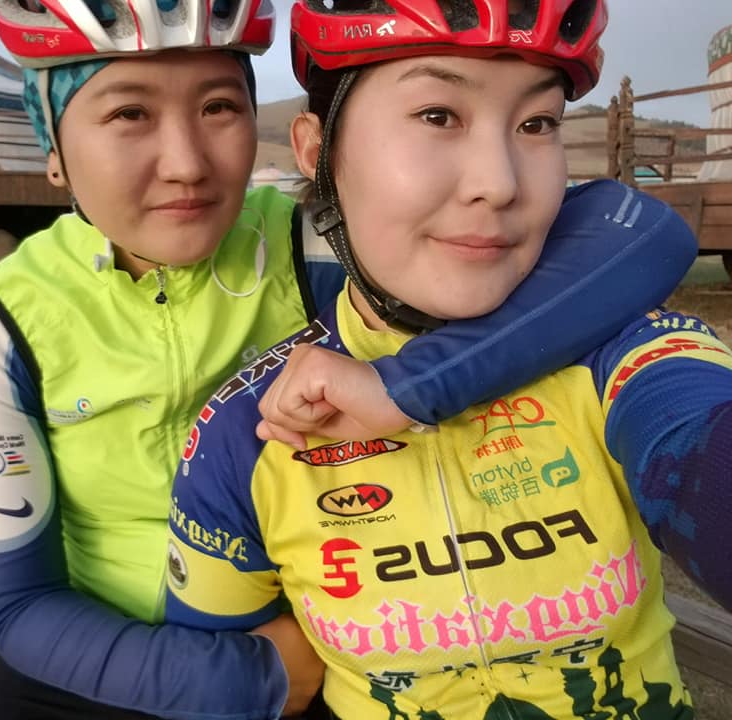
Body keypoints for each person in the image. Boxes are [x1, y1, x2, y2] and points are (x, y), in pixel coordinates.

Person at [0, 0, 696, 717]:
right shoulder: (6, 322)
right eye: (129, 115)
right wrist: (243, 678)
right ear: (53, 145)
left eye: (219, 107)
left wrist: (407, 385)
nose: (186, 164)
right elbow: (16, 603)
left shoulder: (316, 243)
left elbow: (639, 236)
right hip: (121, 651)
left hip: (333, 630)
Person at [165, 0, 732, 717]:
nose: (500, 182)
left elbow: (696, 442)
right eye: (438, 115)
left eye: (537, 124)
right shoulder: (249, 427)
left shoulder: (622, 350)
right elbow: (216, 669)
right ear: (316, 151)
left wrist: (405, 387)